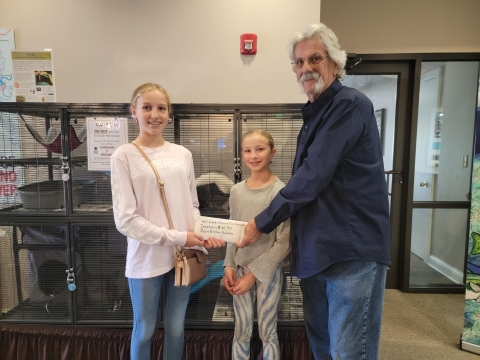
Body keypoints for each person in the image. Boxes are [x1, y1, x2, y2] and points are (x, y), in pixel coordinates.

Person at [237, 23, 390, 360]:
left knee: (350, 351)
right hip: (315, 254)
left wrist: (260, 223)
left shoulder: (349, 105)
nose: (305, 68)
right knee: (321, 347)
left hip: (350, 252)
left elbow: (312, 176)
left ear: (335, 63)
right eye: (299, 62)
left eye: (315, 59)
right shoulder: (314, 115)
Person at [110, 83, 225, 360]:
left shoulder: (182, 154)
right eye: (146, 107)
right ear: (133, 112)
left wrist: (200, 233)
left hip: (184, 255)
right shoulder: (123, 155)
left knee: (175, 326)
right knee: (145, 329)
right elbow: (126, 220)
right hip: (146, 257)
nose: (154, 114)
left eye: (161, 108)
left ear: (169, 113)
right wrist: (178, 236)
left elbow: (192, 205)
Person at [221, 129, 291, 360]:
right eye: (248, 150)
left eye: (260, 149)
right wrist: (229, 267)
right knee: (241, 331)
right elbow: (234, 232)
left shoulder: (282, 192)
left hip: (268, 274)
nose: (254, 155)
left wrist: (253, 274)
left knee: (268, 332)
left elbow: (284, 242)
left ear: (272, 152)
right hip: (239, 272)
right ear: (241, 154)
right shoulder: (236, 191)